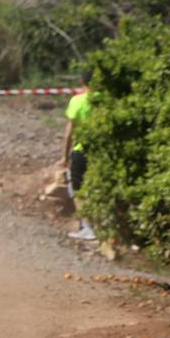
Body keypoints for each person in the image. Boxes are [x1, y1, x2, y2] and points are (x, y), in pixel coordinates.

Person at [62, 71, 97, 241]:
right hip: (101, 151)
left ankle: (88, 228)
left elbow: (69, 132)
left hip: (81, 150)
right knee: (95, 188)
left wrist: (64, 156)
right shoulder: (104, 100)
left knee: (78, 190)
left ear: (82, 81)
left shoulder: (77, 100)